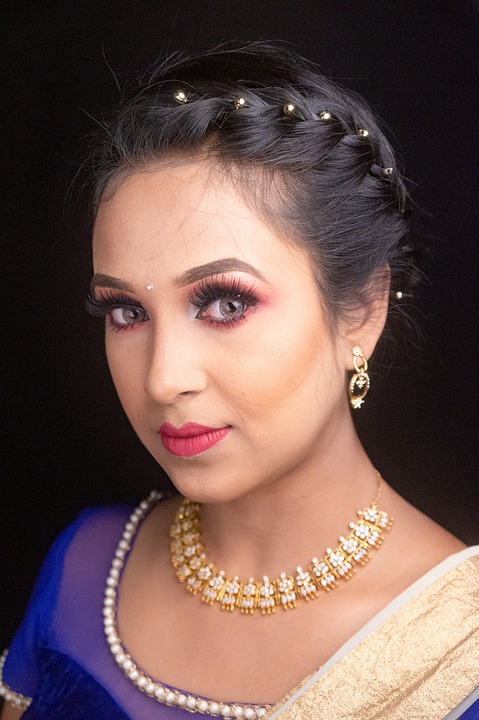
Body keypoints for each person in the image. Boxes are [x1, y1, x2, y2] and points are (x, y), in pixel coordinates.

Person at [1, 43, 478, 720]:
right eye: (126, 312)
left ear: (362, 311)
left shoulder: (459, 647)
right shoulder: (86, 566)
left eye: (225, 303)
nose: (164, 378)